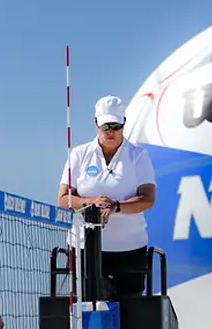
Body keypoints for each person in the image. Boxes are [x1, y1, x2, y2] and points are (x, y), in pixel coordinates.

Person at [58, 95, 157, 299]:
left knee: (130, 312)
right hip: (84, 249)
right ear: (96, 124)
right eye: (105, 126)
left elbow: (147, 199)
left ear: (124, 124)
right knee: (86, 310)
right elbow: (63, 199)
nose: (110, 132)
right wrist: (92, 203)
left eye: (116, 126)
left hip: (129, 250)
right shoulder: (79, 154)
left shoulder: (138, 155)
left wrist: (116, 206)